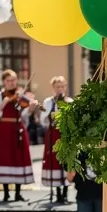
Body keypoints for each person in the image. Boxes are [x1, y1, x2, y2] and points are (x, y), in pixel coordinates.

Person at [0, 69, 36, 203]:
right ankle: (6, 193)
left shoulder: (21, 95)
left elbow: (25, 114)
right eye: (8, 80)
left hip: (18, 129)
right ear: (3, 82)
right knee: (5, 158)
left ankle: (18, 193)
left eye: (14, 80)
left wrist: (31, 108)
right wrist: (3, 103)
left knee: (18, 158)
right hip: (4, 129)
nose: (11, 83)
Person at [40, 76, 71, 204]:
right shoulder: (49, 101)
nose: (60, 89)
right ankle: (57, 193)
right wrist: (50, 113)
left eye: (62, 86)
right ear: (53, 88)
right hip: (53, 134)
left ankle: (65, 193)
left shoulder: (70, 101)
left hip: (65, 135)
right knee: (54, 160)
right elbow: (42, 119)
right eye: (58, 87)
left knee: (65, 161)